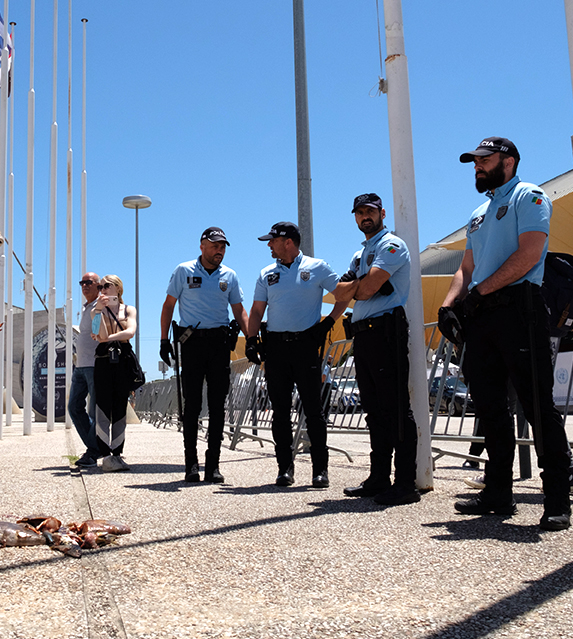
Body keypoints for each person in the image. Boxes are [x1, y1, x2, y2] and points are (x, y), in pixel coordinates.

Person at [439, 137, 573, 531]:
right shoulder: (479, 213)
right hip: (481, 316)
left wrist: (481, 291)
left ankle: (557, 500)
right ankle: (497, 493)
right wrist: (449, 304)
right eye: (474, 162)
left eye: (484, 160)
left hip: (519, 309)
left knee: (536, 405)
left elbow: (531, 253)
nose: (477, 167)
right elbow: (467, 266)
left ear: (509, 161)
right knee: (491, 409)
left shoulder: (528, 196)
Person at [332, 193, 419, 506]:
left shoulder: (390, 245)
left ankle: (405, 482)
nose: (364, 217)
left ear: (382, 213)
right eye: (359, 213)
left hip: (386, 332)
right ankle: (379, 477)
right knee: (373, 412)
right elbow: (340, 292)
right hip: (364, 337)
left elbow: (364, 289)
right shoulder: (361, 254)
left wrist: (362, 286)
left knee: (395, 409)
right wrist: (362, 285)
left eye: (370, 211)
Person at [246, 221, 345, 488]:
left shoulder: (317, 267)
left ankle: (320, 470)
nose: (269, 245)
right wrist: (251, 340)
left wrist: (327, 323)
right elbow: (256, 311)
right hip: (276, 347)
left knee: (313, 410)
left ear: (288, 242)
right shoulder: (267, 273)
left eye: (272, 241)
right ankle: (284, 469)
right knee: (279, 411)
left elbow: (344, 296)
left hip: (305, 345)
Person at [159, 227, 249, 483]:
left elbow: (239, 310)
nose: (219, 250)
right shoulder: (184, 270)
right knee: (193, 405)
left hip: (219, 344)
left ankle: (213, 464)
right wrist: (164, 339)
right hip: (192, 344)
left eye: (223, 246)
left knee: (219, 405)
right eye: (215, 245)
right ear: (202, 246)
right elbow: (168, 306)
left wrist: (251, 337)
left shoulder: (229, 276)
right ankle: (191, 464)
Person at [92, 275, 138, 472]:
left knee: (120, 407)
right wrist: (98, 311)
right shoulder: (98, 310)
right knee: (102, 407)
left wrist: (109, 338)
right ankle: (105, 455)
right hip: (103, 361)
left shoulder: (128, 309)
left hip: (122, 361)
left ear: (118, 288)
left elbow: (130, 332)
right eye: (100, 286)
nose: (102, 289)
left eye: (106, 286)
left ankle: (117, 453)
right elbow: (97, 335)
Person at [68, 272, 103, 467]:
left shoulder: (101, 305)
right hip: (80, 366)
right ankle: (95, 447)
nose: (84, 286)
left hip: (95, 365)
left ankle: (93, 451)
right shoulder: (85, 307)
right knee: (74, 407)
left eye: (89, 282)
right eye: (82, 283)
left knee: (94, 412)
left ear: (98, 285)